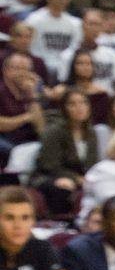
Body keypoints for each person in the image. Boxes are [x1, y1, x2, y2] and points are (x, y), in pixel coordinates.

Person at [32, 89, 100, 218]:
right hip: (48, 176)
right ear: (64, 108)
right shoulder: (54, 131)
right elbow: (48, 165)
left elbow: (92, 164)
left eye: (83, 103)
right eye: (72, 104)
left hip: (81, 179)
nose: (79, 107)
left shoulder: (92, 133)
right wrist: (75, 178)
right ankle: (61, 221)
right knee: (63, 188)